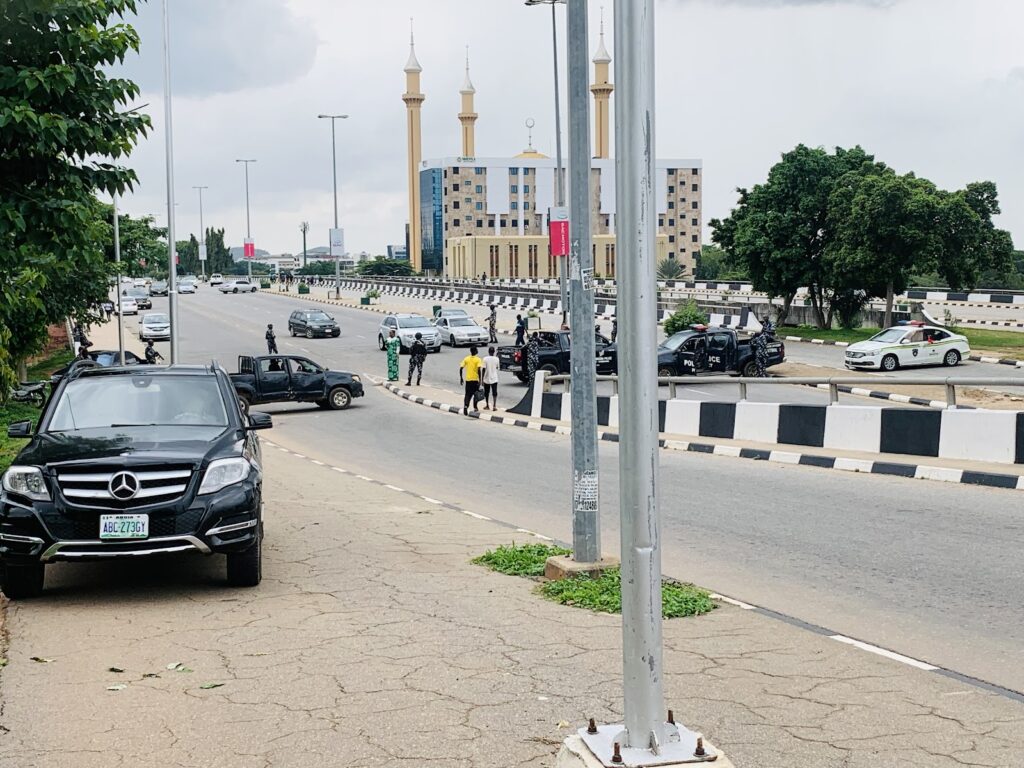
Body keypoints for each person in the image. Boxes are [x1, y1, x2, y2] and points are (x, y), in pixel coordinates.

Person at [459, 346, 484, 415]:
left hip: (468, 380)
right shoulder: (478, 359)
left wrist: (461, 378)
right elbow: (479, 370)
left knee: (467, 395)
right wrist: (480, 380)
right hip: (475, 380)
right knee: (475, 394)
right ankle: (475, 407)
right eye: (477, 350)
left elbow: (461, 368)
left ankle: (465, 406)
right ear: (475, 351)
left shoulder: (466, 359)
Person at [481, 346, 500, 410]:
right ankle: (494, 406)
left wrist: (482, 379)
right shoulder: (497, 359)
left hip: (486, 378)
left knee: (487, 393)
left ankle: (487, 405)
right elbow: (497, 367)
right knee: (494, 392)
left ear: (488, 352)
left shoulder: (485, 359)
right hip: (494, 378)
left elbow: (483, 369)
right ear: (494, 352)